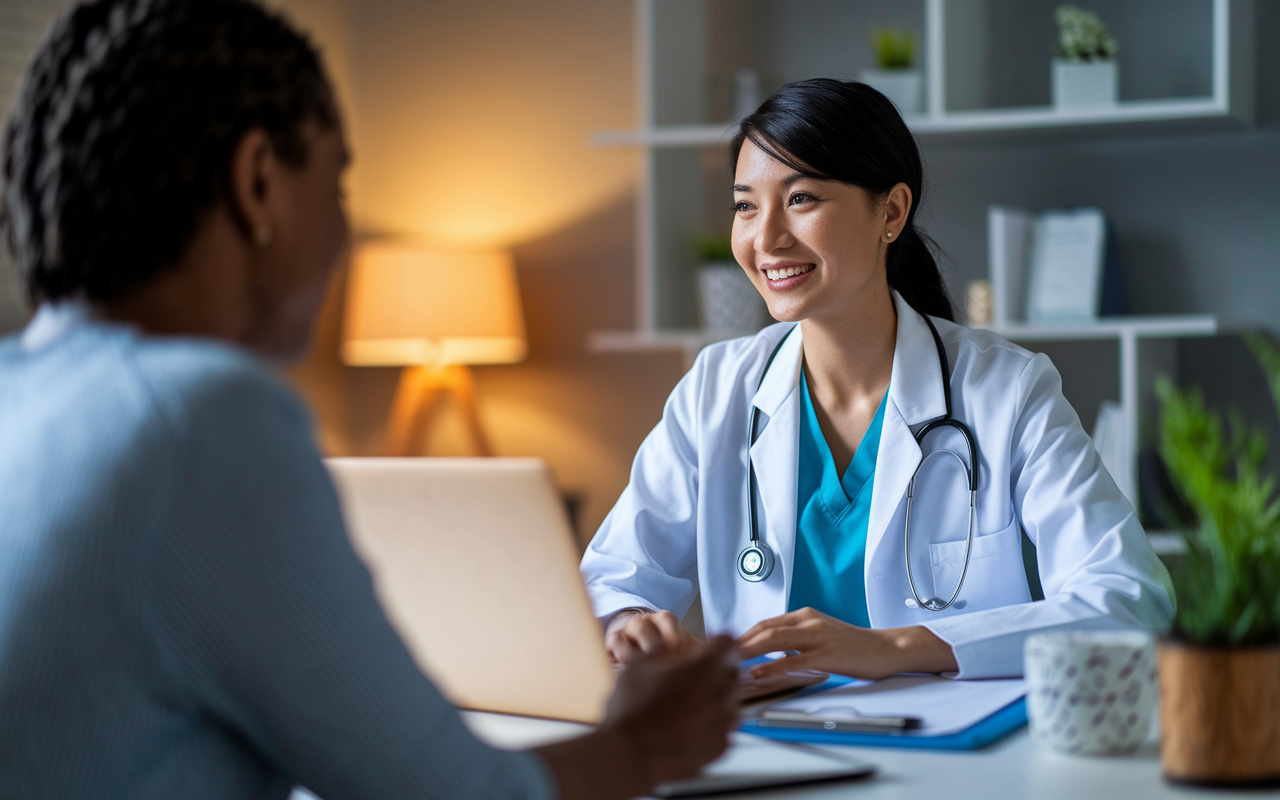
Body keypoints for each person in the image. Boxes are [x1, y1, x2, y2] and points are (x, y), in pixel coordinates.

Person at [0, 1, 740, 798]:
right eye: (339, 183)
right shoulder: (201, 418)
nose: (345, 226)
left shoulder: (20, 392)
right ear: (258, 184)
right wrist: (643, 743)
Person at [581, 78, 1175, 683]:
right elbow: (612, 576)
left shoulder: (1007, 390)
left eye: (802, 199)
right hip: (765, 744)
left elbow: (1129, 600)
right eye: (745, 206)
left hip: (949, 751)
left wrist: (894, 648)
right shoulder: (716, 388)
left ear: (890, 211)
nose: (766, 238)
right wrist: (630, 621)